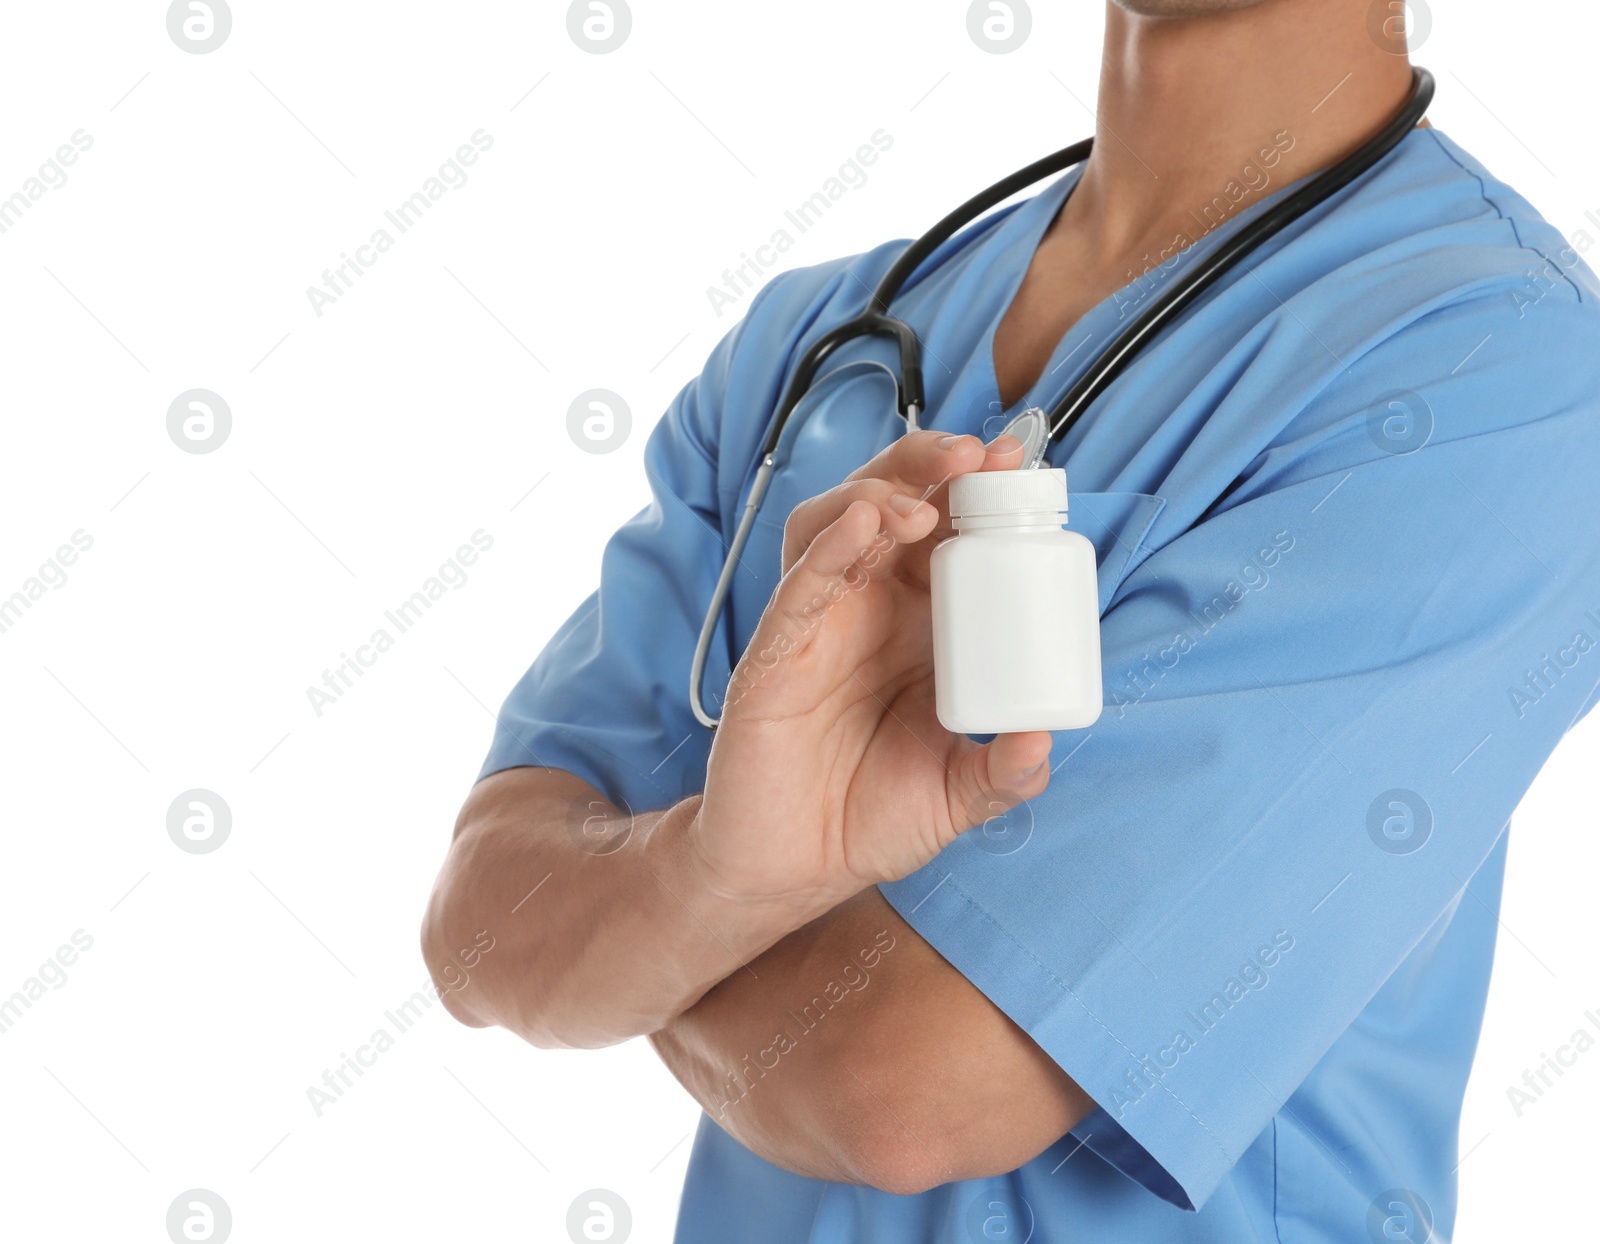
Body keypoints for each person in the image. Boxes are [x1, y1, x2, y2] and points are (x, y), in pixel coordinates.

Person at [421, 0, 1600, 1239]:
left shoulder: (1501, 371)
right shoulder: (820, 342)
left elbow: (896, 1088)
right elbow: (482, 925)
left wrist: (653, 933)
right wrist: (723, 873)